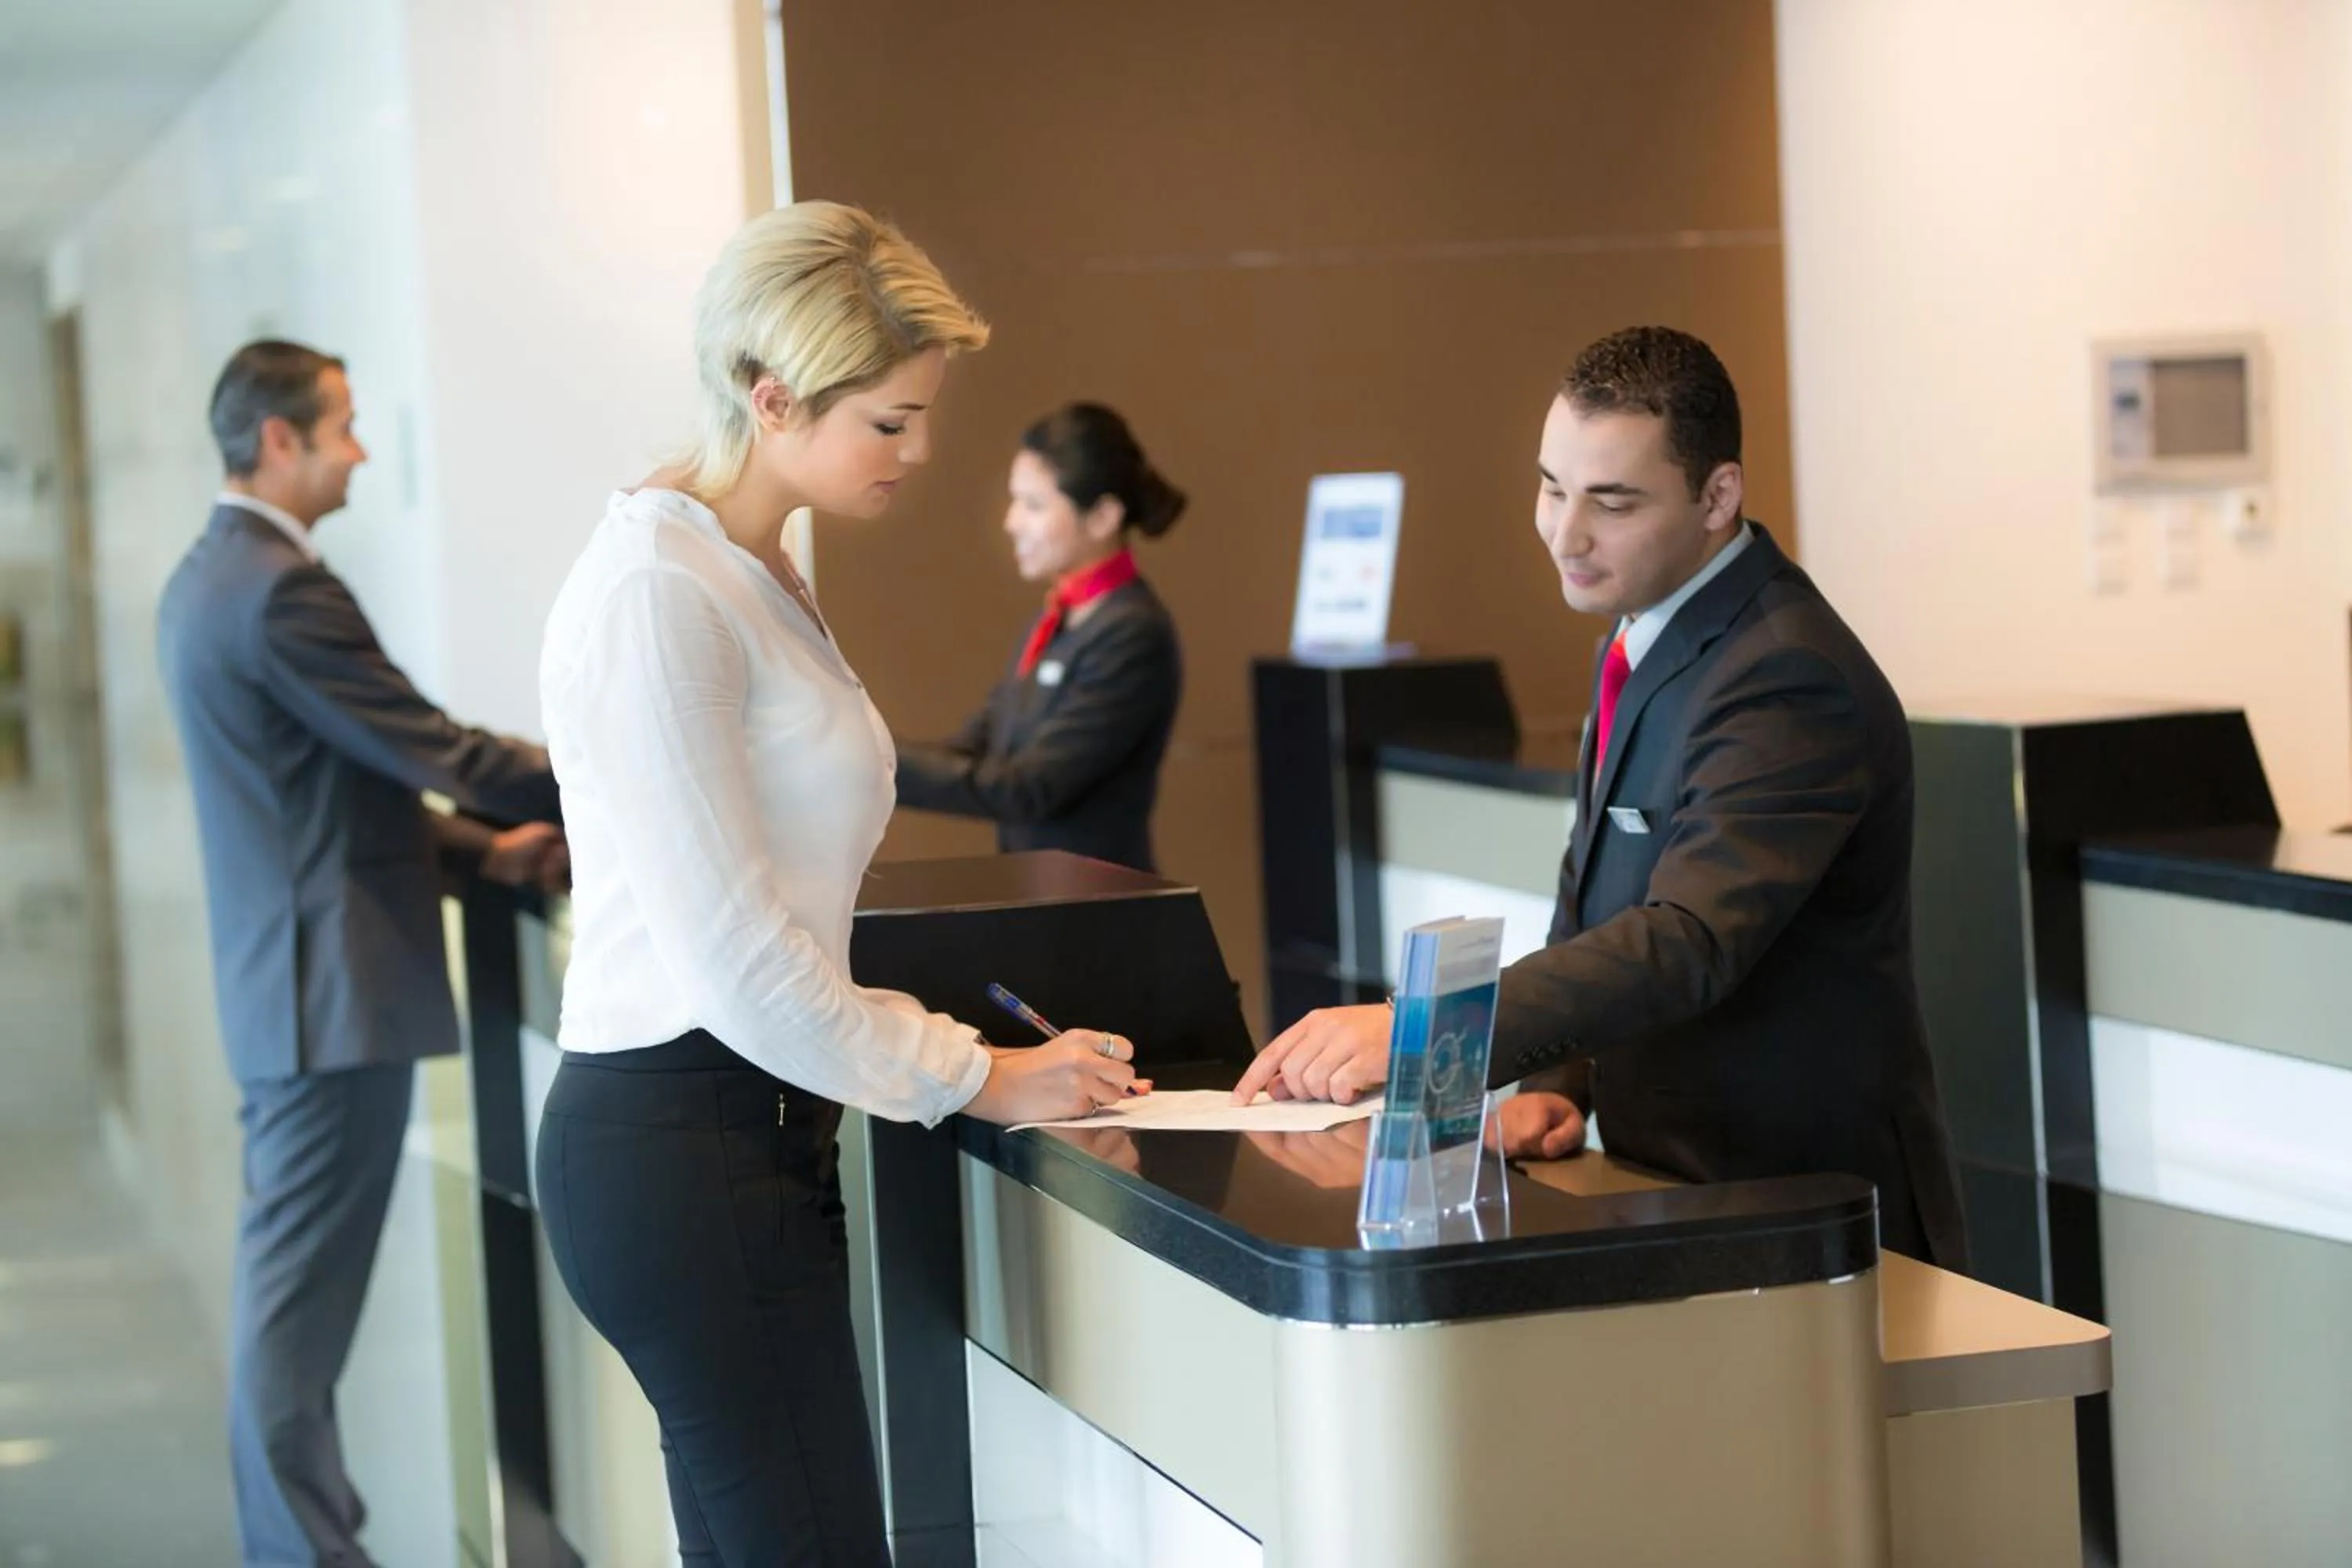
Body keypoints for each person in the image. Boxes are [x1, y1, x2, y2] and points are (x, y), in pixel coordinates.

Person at [535, 201, 1140, 1566]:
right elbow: (739, 963)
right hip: (682, 1145)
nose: (918, 453)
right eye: (889, 421)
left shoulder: (746, 563)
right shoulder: (661, 592)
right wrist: (980, 1073)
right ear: (772, 399)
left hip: (738, 1135)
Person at [1235, 326, 1969, 1271]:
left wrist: (1429, 1031)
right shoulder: (1641, 630)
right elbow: (1595, 895)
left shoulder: (1786, 672)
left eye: (1612, 502)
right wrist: (1561, 1080)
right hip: (1672, 1184)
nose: (1565, 533)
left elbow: (1688, 938)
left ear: (1719, 496)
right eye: (1553, 487)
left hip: (1802, 1203)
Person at [158, 339, 568, 1566]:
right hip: (326, 1006)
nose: (363, 451)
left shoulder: (209, 580)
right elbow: (429, 746)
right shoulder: (280, 591)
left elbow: (318, 789)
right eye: (342, 426)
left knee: (292, 1321)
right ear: (278, 440)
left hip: (295, 999)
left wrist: (481, 855)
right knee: (294, 1331)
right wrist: (615, 766)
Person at [894, 402, 1185, 872]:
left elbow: (1028, 789)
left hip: (1099, 900)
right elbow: (977, 745)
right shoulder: (1057, 622)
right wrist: (869, 757)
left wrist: (882, 766)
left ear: (1103, 516)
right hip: (1042, 893)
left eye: (1034, 505)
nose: (1012, 522)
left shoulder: (1131, 633)